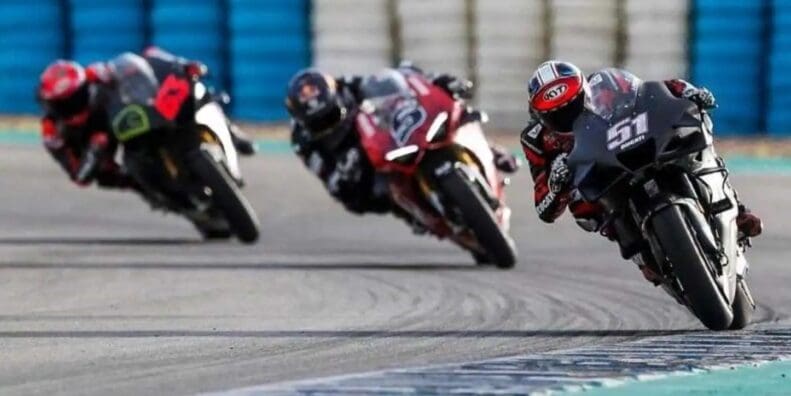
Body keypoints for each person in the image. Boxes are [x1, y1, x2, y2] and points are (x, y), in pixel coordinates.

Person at [520, 60, 763, 282]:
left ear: (584, 92)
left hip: (641, 144)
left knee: (696, 136)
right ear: (540, 116)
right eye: (558, 116)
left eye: (573, 107)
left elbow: (653, 92)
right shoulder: (536, 140)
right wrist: (556, 183)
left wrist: (689, 92)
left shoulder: (606, 84)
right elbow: (543, 205)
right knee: (583, 210)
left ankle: (737, 208)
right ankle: (640, 253)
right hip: (602, 176)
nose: (568, 118)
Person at [285, 64, 519, 220]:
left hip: (386, 135)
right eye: (321, 121)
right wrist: (344, 173)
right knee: (372, 194)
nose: (329, 122)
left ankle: (490, 151)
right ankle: (417, 214)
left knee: (450, 115)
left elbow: (394, 81)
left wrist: (437, 82)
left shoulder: (345, 86)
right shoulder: (304, 141)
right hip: (363, 172)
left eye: (331, 114)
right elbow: (331, 183)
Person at [36, 47, 255, 189]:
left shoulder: (95, 75)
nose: (72, 105)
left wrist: (179, 66)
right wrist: (94, 152)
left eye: (76, 97)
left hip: (131, 117)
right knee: (113, 176)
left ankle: (231, 132)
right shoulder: (52, 130)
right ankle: (157, 190)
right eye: (64, 103)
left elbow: (140, 64)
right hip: (105, 145)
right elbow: (79, 176)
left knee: (192, 91)